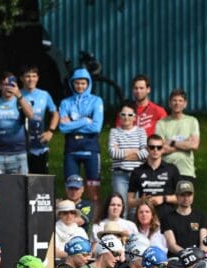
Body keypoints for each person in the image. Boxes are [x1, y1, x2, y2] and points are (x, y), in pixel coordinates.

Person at [58, 67, 104, 207]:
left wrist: (72, 123)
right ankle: (71, 219)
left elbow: (96, 127)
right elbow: (62, 127)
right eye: (77, 83)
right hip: (72, 150)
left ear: (89, 83)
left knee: (93, 189)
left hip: (91, 149)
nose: (80, 86)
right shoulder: (66, 102)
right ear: (72, 83)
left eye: (83, 83)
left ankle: (93, 224)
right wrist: (84, 121)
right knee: (72, 189)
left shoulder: (96, 101)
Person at [0, 72, 35, 175]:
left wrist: (19, 96)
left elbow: (30, 115)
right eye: (5, 84)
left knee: (20, 188)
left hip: (19, 155)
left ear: (16, 86)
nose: (8, 88)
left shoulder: (21, 103)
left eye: (11, 85)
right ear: (0, 86)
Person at [127, 134, 181, 220]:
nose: (155, 150)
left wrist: (163, 198)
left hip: (168, 218)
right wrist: (141, 200)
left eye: (159, 147)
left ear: (163, 149)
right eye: (152, 147)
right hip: (145, 219)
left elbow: (181, 198)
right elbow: (129, 202)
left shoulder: (172, 169)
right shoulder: (137, 171)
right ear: (147, 148)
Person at [20, 65, 59, 174]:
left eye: (34, 76)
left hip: (39, 146)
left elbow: (55, 113)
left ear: (38, 78)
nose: (31, 79)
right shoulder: (16, 95)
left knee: (40, 181)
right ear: (21, 78)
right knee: (21, 182)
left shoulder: (44, 95)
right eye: (27, 76)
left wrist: (50, 131)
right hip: (20, 147)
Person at [155, 88, 200, 180]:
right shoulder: (161, 123)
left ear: (185, 104)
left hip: (186, 171)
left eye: (180, 101)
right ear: (169, 103)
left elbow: (194, 145)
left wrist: (171, 142)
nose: (177, 103)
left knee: (185, 195)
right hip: (165, 171)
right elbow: (160, 149)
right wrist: (185, 144)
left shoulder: (192, 121)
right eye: (174, 100)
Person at [108, 100, 147, 203]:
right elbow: (113, 153)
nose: (126, 117)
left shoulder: (141, 132)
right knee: (121, 207)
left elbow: (145, 153)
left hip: (137, 174)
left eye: (130, 115)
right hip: (120, 174)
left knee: (136, 208)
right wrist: (135, 151)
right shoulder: (114, 132)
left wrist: (122, 154)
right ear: (119, 116)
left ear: (135, 117)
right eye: (123, 114)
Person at [161, 180, 207, 257]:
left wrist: (198, 256)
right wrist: (188, 255)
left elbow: (204, 243)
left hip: (198, 259)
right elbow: (171, 245)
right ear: (176, 196)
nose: (186, 198)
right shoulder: (167, 218)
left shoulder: (201, 216)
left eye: (189, 195)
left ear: (193, 195)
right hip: (176, 260)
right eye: (182, 195)